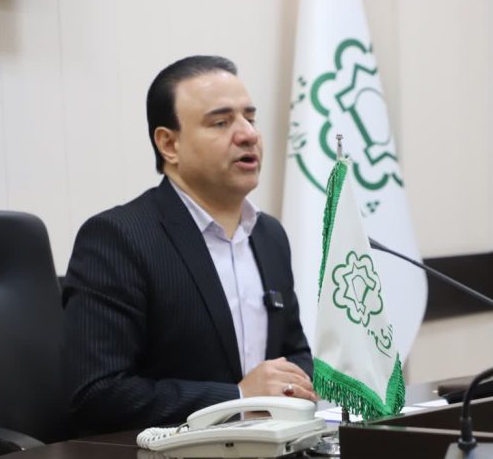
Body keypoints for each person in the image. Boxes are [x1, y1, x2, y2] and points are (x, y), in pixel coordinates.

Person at [62, 55, 315, 434]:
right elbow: (96, 394)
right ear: (169, 144)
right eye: (221, 122)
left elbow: (294, 353)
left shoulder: (269, 236)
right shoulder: (119, 237)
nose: (248, 134)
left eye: (250, 118)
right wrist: (237, 398)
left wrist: (292, 388)